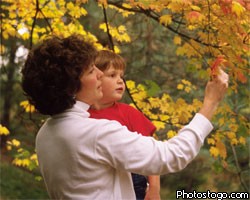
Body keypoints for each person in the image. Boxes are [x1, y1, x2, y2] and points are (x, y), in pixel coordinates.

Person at [21, 34, 229, 200]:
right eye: (92, 71)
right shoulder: (96, 132)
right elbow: (170, 156)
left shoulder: (45, 134)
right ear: (72, 85)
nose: (100, 75)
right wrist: (210, 104)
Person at [88, 50, 160, 200]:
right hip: (98, 180)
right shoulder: (83, 116)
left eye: (121, 76)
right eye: (112, 75)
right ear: (96, 78)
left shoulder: (128, 113)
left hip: (133, 178)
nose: (120, 81)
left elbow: (152, 153)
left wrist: (154, 188)